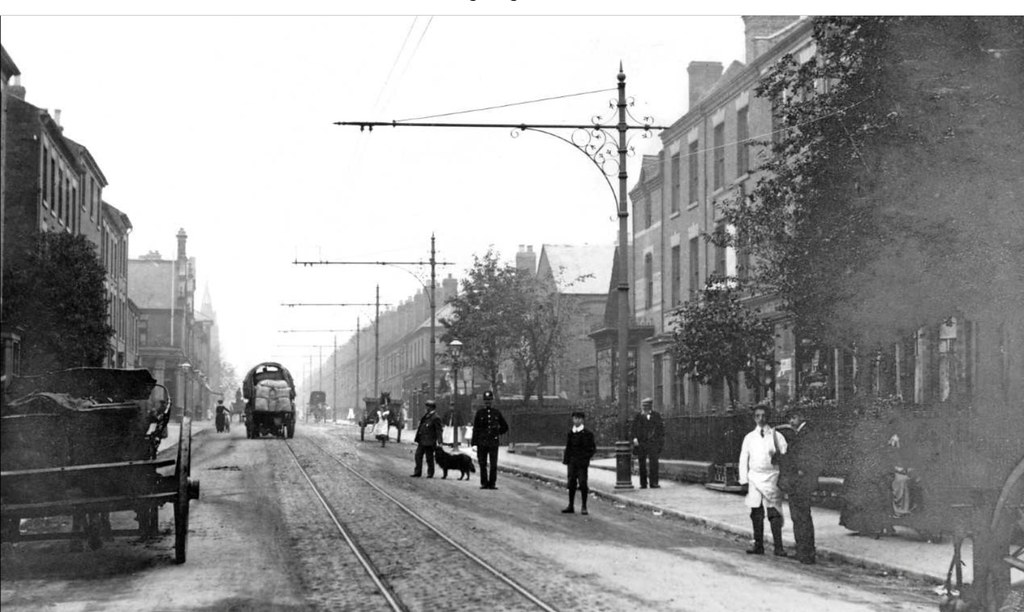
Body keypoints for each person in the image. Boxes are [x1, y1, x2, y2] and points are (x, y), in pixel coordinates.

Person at [738, 404, 789, 556]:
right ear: (754, 418)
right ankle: (758, 545)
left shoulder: (776, 436)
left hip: (772, 477)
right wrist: (744, 480)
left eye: (764, 416)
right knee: (756, 512)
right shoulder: (749, 437)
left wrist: (777, 456)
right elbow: (743, 458)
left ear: (768, 417)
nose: (761, 419)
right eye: (758, 416)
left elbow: (786, 455)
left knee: (774, 512)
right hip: (754, 477)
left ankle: (778, 547)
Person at [778, 406, 820, 564]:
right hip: (797, 481)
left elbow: (808, 458)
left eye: (793, 418)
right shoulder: (800, 434)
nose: (791, 421)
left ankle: (806, 552)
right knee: (798, 516)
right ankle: (802, 549)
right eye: (789, 419)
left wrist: (801, 472)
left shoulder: (807, 434)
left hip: (802, 481)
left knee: (802, 516)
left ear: (801, 417)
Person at [562, 411, 596, 515]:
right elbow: (568, 447)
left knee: (583, 483)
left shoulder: (588, 434)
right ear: (573, 419)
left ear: (582, 420)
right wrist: (567, 460)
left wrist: (586, 458)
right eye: (575, 418)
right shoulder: (570, 433)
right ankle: (570, 505)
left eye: (579, 418)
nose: (577, 420)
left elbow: (592, 449)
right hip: (572, 462)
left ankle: (584, 506)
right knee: (571, 483)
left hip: (582, 463)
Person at [472, 390, 509, 490]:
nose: (487, 402)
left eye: (489, 400)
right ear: (483, 401)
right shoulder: (480, 413)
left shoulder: (496, 413)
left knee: (493, 464)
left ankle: (492, 483)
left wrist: (497, 433)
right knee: (482, 463)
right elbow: (476, 428)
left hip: (493, 442)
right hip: (482, 442)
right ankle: (484, 483)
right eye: (486, 400)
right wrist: (474, 442)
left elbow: (505, 426)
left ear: (492, 401)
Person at [632, 397, 665, 489]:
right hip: (641, 443)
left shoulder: (656, 416)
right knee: (642, 463)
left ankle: (654, 482)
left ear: (650, 406)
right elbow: (633, 429)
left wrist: (659, 442)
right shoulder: (638, 416)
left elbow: (661, 430)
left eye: (647, 406)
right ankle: (643, 483)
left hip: (653, 443)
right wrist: (634, 438)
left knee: (654, 463)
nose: (645, 408)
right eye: (643, 406)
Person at [411, 399, 444, 478]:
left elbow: (438, 430)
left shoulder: (436, 418)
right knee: (418, 456)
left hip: (430, 441)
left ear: (431, 408)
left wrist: (440, 441)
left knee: (429, 458)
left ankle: (430, 473)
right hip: (422, 440)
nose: (426, 408)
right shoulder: (426, 416)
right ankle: (417, 472)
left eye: (428, 406)